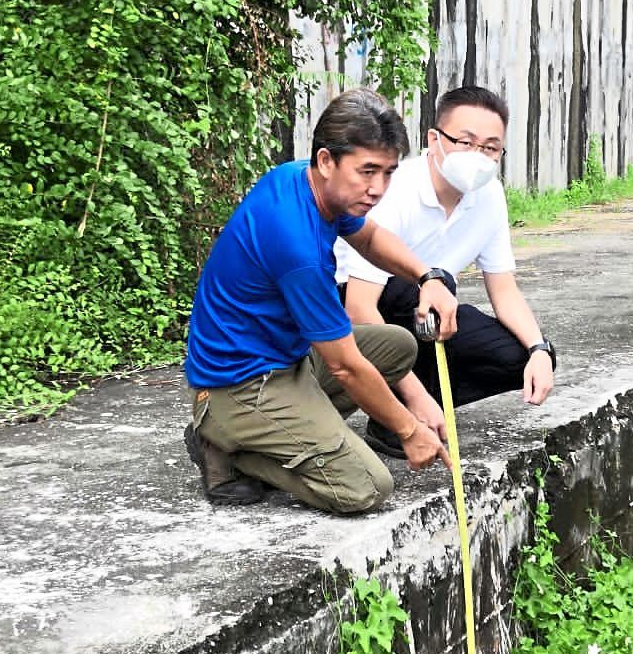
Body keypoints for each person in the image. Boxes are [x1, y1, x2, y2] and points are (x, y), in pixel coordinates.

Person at [183, 88, 458, 514]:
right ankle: (225, 443)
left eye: (388, 172)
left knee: (398, 346)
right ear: (327, 160)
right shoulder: (295, 244)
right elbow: (344, 365)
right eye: (367, 171)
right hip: (241, 385)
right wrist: (408, 429)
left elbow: (366, 236)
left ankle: (272, 431)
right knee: (365, 486)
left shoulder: (306, 180)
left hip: (285, 357)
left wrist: (429, 276)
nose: (378, 188)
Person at [335, 85, 555, 458]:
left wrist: (540, 351)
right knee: (419, 288)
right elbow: (359, 307)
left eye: (490, 147)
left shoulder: (489, 196)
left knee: (516, 357)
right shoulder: (395, 190)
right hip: (355, 307)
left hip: (428, 310)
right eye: (465, 142)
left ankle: (402, 419)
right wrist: (413, 395)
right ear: (433, 139)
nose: (477, 156)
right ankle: (400, 409)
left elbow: (504, 290)